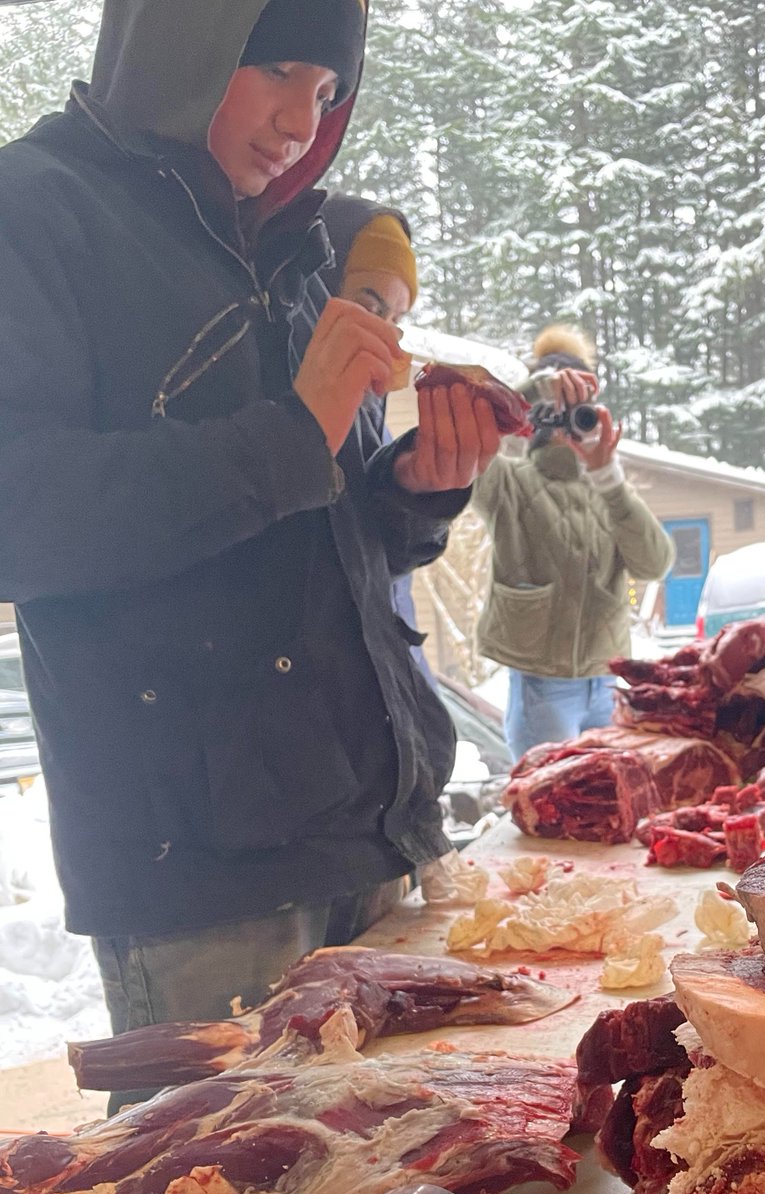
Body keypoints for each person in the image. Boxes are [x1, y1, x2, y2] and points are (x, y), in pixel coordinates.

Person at [0, 0, 499, 1108]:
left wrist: (413, 492)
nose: (300, 122)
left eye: (326, 91)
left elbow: (322, 524)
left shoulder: (297, 243)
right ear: (180, 42)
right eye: (275, 70)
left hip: (373, 829)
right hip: (202, 876)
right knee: (234, 1173)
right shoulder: (31, 211)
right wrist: (290, 436)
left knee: (399, 1169)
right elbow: (19, 517)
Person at [472, 326, 674, 758]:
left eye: (580, 408)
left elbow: (655, 564)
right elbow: (472, 438)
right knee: (546, 790)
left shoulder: (609, 490)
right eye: (558, 409)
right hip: (540, 682)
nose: (568, 420)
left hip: (606, 679)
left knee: (605, 791)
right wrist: (534, 391)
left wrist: (609, 478)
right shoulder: (509, 481)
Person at [319, 192, 435, 687]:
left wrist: (423, 494)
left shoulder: (374, 422)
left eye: (395, 321)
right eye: (368, 307)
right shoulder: (258, 416)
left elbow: (384, 566)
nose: (385, 339)